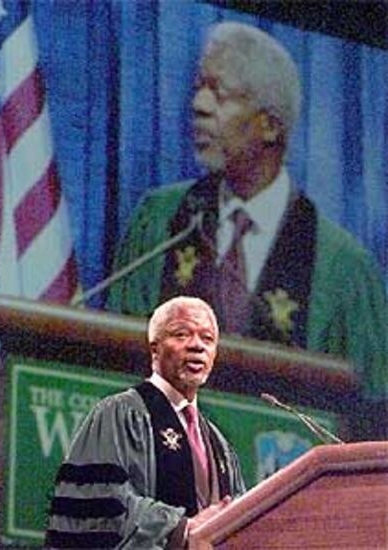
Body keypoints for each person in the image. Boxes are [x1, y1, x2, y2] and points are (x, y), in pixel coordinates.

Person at [108, 22, 387, 402]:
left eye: (219, 94)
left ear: (270, 126)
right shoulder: (161, 220)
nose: (199, 106)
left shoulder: (343, 268)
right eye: (199, 88)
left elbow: (368, 414)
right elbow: (114, 361)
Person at [45, 296, 245, 549]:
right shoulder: (119, 413)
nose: (197, 346)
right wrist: (181, 529)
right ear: (155, 348)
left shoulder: (219, 445)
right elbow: (96, 505)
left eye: (207, 339)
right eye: (182, 334)